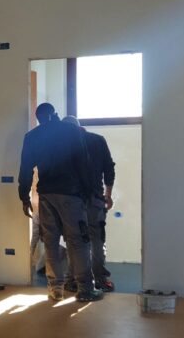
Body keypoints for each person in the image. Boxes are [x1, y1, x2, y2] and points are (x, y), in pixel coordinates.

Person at [18, 103, 103, 303]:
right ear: (55, 114)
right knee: (78, 241)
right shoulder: (71, 131)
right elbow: (83, 163)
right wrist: (90, 193)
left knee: (51, 242)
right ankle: (85, 289)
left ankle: (55, 289)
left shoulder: (32, 136)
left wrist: (24, 197)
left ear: (39, 118)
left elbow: (25, 170)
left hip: (46, 196)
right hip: (71, 195)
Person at [63, 116, 116, 292]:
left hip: (72, 201)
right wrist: (108, 195)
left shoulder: (64, 145)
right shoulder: (97, 140)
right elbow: (109, 169)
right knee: (97, 239)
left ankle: (72, 280)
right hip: (95, 198)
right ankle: (100, 279)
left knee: (74, 240)